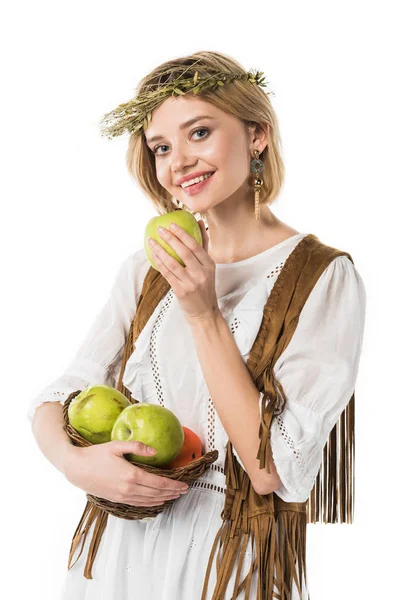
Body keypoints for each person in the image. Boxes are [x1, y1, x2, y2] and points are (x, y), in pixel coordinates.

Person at [27, 50, 366, 599]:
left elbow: (272, 468)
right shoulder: (148, 266)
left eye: (200, 132)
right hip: (123, 552)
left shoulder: (323, 278)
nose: (177, 162)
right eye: (161, 147)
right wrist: (76, 464)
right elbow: (62, 394)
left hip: (228, 558)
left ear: (257, 135)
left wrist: (204, 311)